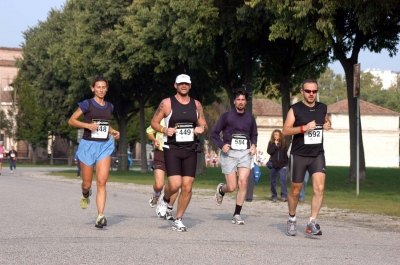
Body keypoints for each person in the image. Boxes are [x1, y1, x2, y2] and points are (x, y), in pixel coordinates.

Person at [151, 74, 207, 232]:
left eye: (186, 84)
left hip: (190, 149)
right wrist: (164, 129)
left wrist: (200, 128)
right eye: (181, 83)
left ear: (190, 86)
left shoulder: (196, 105)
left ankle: (178, 218)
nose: (184, 86)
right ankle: (165, 198)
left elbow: (204, 124)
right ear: (175, 85)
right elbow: (154, 122)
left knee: (187, 187)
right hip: (172, 149)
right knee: (174, 184)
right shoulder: (167, 103)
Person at [68, 75, 120, 229]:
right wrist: (87, 126)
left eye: (104, 87)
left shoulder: (110, 106)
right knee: (86, 184)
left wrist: (113, 131)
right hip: (88, 146)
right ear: (93, 88)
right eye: (98, 87)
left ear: (107, 89)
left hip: (104, 146)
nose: (101, 90)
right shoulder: (87, 104)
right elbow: (71, 121)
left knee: (102, 182)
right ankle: (85, 195)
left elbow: (105, 125)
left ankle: (100, 216)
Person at [282, 79, 331, 236]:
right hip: (300, 154)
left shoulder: (322, 107)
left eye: (314, 91)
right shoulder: (295, 109)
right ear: (302, 91)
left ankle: (312, 222)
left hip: (317, 154)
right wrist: (303, 128)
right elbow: (285, 131)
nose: (311, 94)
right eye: (308, 91)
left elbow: (325, 121)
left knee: (320, 188)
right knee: (296, 191)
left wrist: (328, 124)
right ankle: (291, 219)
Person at [211, 88, 258, 225]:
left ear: (246, 101)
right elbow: (214, 133)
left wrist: (254, 144)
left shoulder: (250, 118)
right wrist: (221, 145)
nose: (241, 102)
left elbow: (254, 134)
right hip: (229, 153)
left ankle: (237, 214)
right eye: (238, 99)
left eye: (243, 100)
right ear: (234, 101)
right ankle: (221, 189)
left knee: (243, 182)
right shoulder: (226, 116)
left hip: (245, 153)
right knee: (231, 187)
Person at [146, 120, 178, 220]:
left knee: (175, 184)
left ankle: (169, 209)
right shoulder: (161, 118)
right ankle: (156, 194)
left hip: (176, 153)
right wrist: (155, 140)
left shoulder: (181, 117)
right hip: (161, 153)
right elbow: (149, 131)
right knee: (159, 184)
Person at [267, 129, 288, 202]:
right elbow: (269, 151)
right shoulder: (271, 143)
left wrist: (286, 163)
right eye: (274, 134)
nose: (275, 136)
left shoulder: (283, 144)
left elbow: (285, 154)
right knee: (273, 181)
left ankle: (284, 195)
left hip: (282, 165)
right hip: (273, 164)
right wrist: (275, 146)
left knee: (283, 180)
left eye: (277, 134)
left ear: (280, 136)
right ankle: (274, 196)